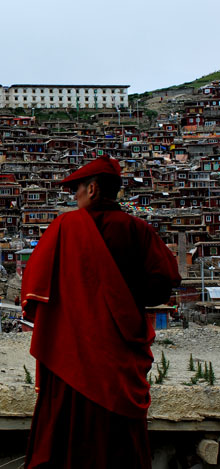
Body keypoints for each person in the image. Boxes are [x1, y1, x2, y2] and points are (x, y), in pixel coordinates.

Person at [21, 156, 181, 468]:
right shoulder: (140, 231)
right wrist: (121, 297)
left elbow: (34, 287)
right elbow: (162, 287)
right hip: (120, 353)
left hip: (69, 353)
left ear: (93, 189)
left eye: (77, 189)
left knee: (67, 433)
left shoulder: (64, 228)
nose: (75, 197)